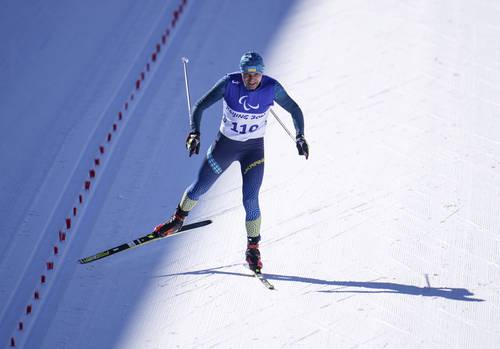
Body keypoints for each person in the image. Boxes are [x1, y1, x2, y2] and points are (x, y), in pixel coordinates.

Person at [154, 51, 309, 273]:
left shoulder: (271, 88)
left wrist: (300, 135)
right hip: (225, 147)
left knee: (250, 198)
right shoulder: (230, 83)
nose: (251, 79)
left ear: (262, 73)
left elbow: (294, 109)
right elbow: (199, 105)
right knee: (199, 187)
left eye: (255, 74)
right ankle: (178, 219)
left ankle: (253, 248)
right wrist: (195, 133)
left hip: (253, 151)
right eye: (247, 74)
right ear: (242, 73)